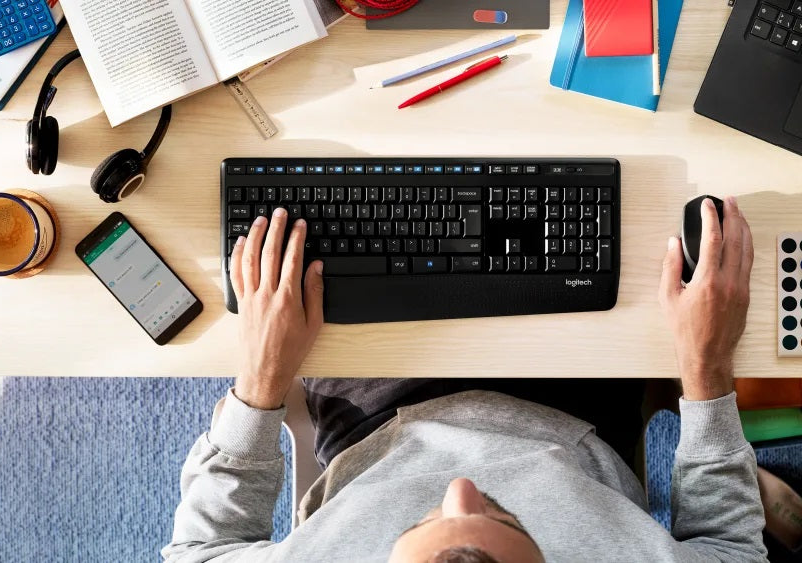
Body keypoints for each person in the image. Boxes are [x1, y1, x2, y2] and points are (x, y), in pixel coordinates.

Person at [163, 196, 767, 562]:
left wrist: (262, 380)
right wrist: (708, 367)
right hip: (582, 416)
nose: (461, 483)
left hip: (373, 420)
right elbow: (732, 548)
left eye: (421, 521)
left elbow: (202, 549)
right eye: (508, 518)